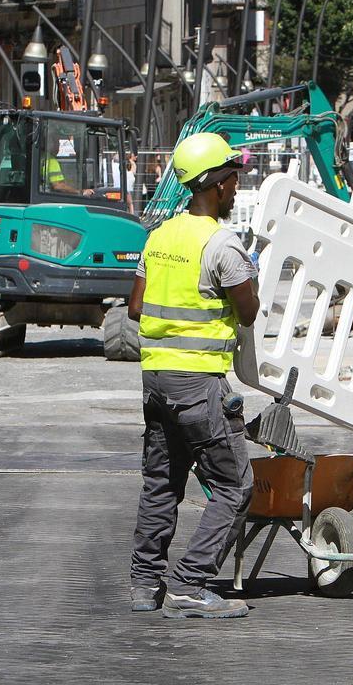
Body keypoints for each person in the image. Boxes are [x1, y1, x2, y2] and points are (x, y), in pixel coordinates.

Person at [128, 132, 259, 619]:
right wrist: (248, 278)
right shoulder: (221, 244)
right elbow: (248, 312)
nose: (237, 188)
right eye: (234, 179)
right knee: (235, 486)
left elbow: (137, 307)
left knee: (162, 483)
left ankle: (145, 584)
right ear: (218, 184)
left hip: (156, 381)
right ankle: (189, 584)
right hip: (199, 383)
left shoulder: (159, 236)